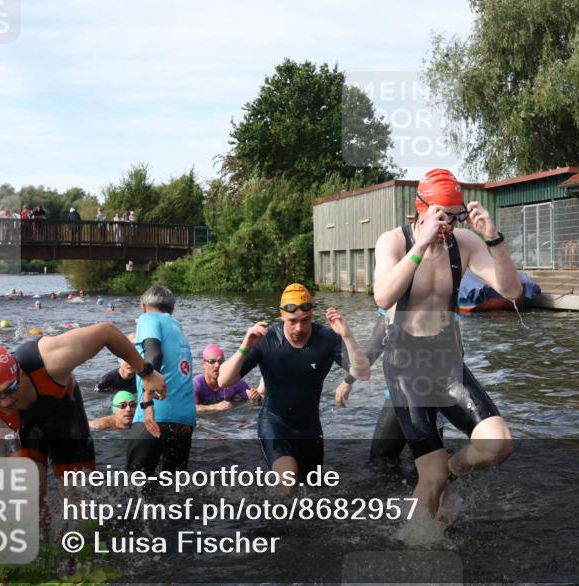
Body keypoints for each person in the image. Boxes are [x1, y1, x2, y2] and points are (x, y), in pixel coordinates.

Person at [373, 168, 519, 518]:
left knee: (498, 445)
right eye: (441, 216)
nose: (447, 226)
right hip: (406, 365)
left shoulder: (466, 244)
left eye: (454, 218)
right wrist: (421, 244)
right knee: (430, 478)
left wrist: (494, 239)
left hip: (447, 362)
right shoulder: (394, 241)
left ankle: (452, 469)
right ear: (420, 208)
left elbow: (512, 292)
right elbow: (383, 296)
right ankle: (414, 542)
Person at [0, 326, 167, 481]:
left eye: (10, 390)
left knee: (80, 493)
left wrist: (146, 372)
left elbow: (107, 332)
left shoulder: (49, 359)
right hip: (26, 428)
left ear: (19, 372)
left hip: (64, 412)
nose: (6, 401)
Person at [218, 284, 370, 485]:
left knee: (310, 493)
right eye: (292, 321)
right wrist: (245, 346)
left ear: (312, 315)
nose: (299, 328)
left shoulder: (326, 338)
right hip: (274, 424)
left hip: (310, 429)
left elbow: (363, 373)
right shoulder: (267, 338)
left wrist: (347, 336)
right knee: (287, 480)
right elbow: (224, 381)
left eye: (305, 320)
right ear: (282, 316)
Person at [126, 284, 195, 474]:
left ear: (143, 306)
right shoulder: (178, 329)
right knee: (173, 489)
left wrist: (147, 404)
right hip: (185, 420)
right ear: (172, 309)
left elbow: (154, 355)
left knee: (134, 488)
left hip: (156, 415)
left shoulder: (147, 318)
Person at [193, 344, 262, 412]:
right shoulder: (196, 384)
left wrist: (256, 398)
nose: (217, 365)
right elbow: (189, 408)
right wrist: (213, 407)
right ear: (204, 364)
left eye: (220, 361)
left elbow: (252, 401)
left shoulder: (234, 382)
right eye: (212, 361)